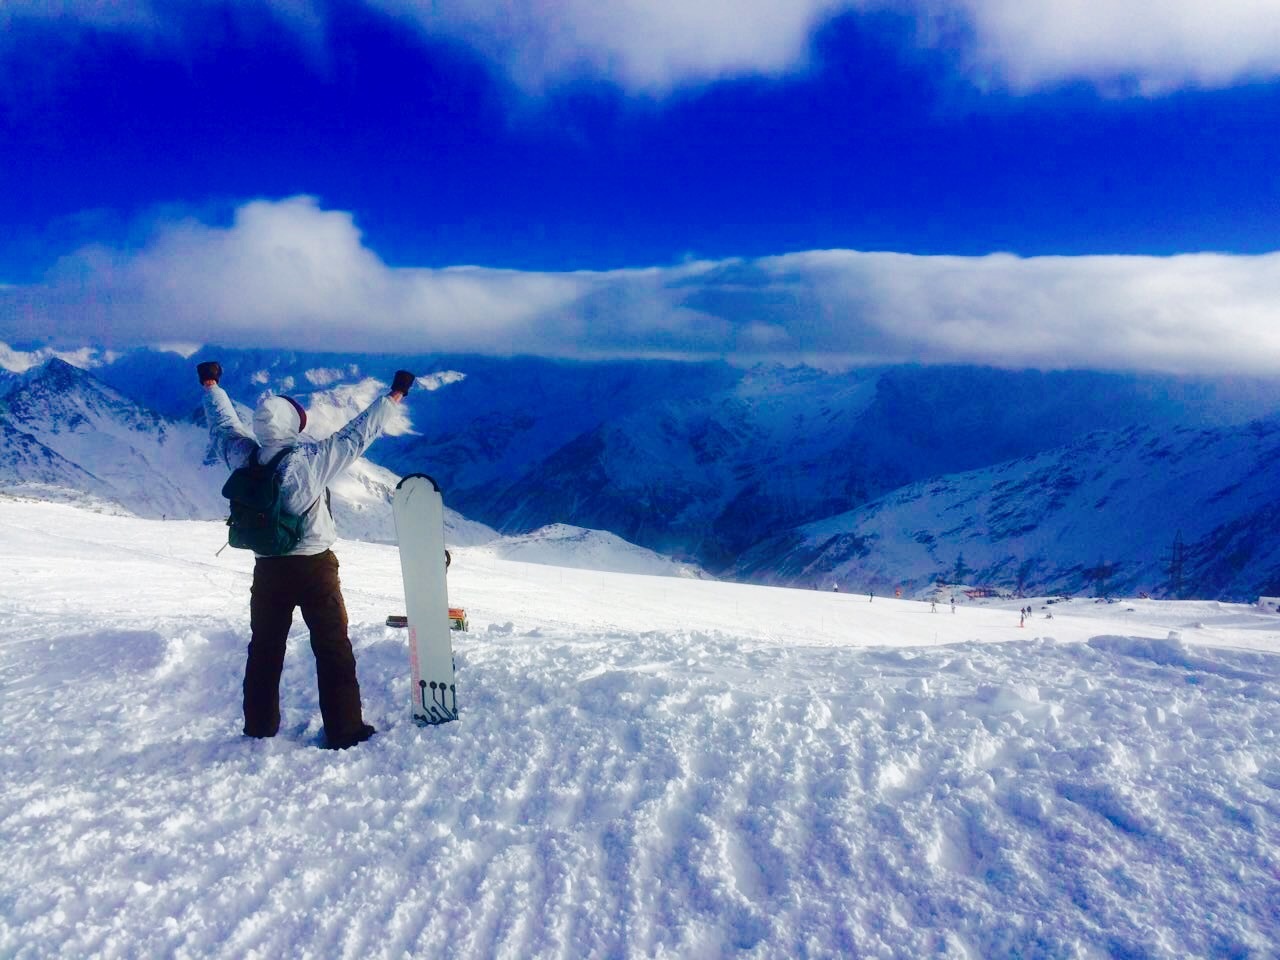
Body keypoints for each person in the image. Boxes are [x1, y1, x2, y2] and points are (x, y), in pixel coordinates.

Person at [198, 360, 415, 750]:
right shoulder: (311, 460)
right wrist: (394, 396)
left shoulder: (243, 455)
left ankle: (260, 725)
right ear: (291, 425)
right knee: (332, 647)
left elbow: (223, 425)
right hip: (315, 567)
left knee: (265, 647)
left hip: (268, 570)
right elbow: (356, 434)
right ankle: (344, 729)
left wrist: (212, 386)